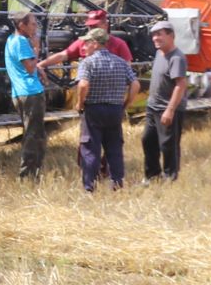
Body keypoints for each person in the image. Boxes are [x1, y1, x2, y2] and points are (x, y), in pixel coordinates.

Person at [74, 26, 137, 191]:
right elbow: (135, 84)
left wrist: (80, 103)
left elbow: (83, 84)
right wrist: (125, 104)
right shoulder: (121, 62)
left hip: (94, 110)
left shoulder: (87, 63)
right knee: (114, 149)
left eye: (87, 43)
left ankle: (89, 188)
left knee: (90, 150)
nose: (84, 46)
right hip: (115, 110)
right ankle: (117, 184)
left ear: (95, 43)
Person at [4, 11, 48, 180]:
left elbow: (25, 66)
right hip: (31, 93)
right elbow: (29, 67)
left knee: (35, 133)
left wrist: (40, 69)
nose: (36, 27)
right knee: (33, 136)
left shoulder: (11, 40)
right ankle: (28, 176)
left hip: (21, 93)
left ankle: (33, 172)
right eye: (33, 24)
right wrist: (36, 48)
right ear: (22, 25)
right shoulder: (22, 42)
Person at [142, 19, 187, 180]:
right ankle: (152, 176)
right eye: (153, 35)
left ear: (171, 36)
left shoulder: (176, 58)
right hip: (153, 106)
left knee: (168, 145)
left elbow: (180, 85)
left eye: (159, 35)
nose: (155, 38)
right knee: (147, 140)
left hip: (167, 108)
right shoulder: (159, 53)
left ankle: (170, 177)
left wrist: (170, 110)